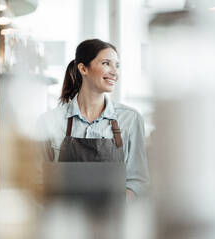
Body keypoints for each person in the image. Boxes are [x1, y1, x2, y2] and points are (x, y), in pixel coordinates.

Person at [37, 39, 149, 201]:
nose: (114, 72)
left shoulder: (130, 119)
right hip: (64, 220)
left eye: (116, 66)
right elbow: (37, 181)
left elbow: (138, 181)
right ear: (83, 68)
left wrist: (112, 208)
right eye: (106, 63)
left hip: (112, 221)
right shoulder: (49, 122)